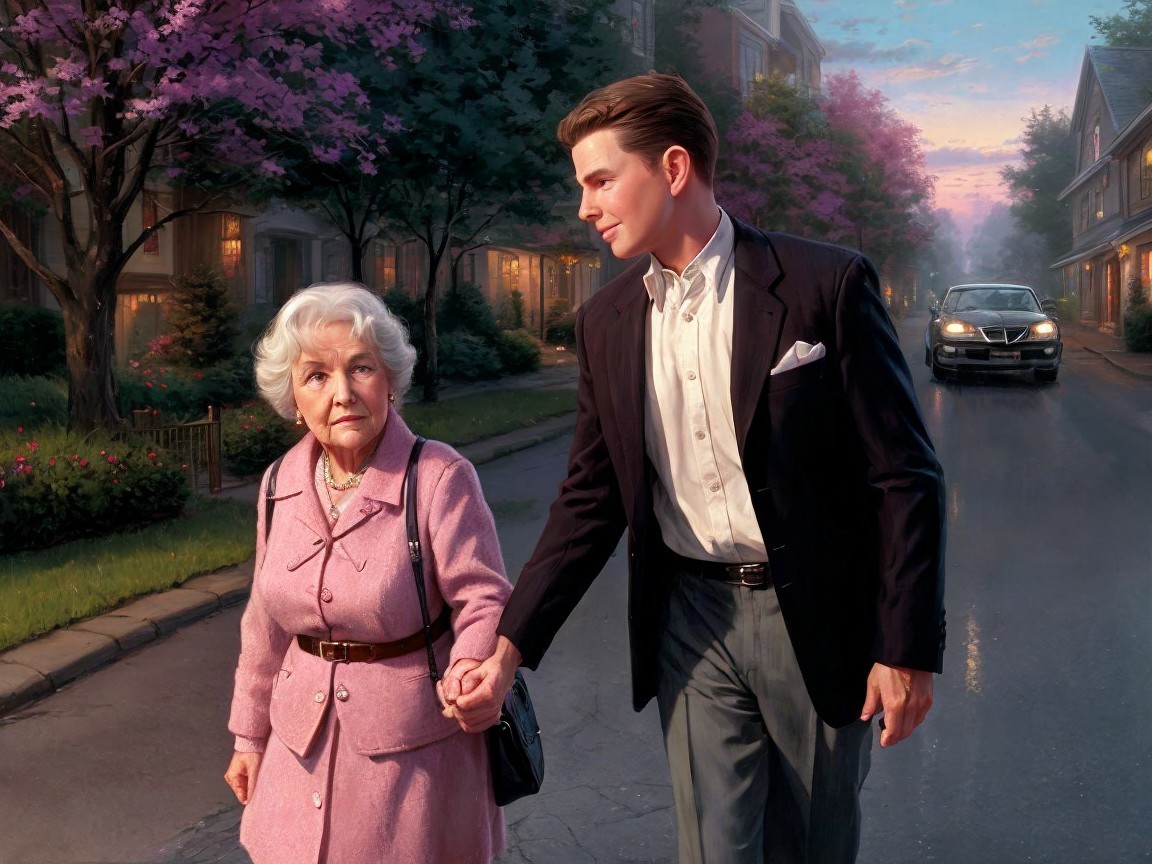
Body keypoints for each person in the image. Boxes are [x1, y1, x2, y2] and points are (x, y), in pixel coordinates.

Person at [447, 73, 946, 864]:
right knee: (713, 850)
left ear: (673, 169)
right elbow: (589, 501)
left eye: (600, 179)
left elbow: (904, 478)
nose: (585, 205)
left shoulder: (825, 285)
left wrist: (906, 646)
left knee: (812, 844)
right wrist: (505, 651)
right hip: (691, 621)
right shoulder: (606, 323)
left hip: (813, 618)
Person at [224, 283, 511, 864]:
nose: (343, 394)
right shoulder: (279, 483)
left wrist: (469, 667)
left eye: (361, 368)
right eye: (316, 377)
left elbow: (483, 598)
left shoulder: (437, 476)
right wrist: (249, 738)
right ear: (293, 399)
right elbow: (264, 625)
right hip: (297, 745)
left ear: (390, 379)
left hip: (411, 753)